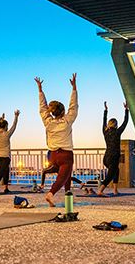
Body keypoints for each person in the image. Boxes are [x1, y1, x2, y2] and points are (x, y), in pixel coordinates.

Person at [35, 73, 78, 207]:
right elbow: (74, 106)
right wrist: (74, 88)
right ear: (62, 111)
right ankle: (51, 193)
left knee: (66, 174)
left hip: (53, 155)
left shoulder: (48, 122)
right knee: (63, 177)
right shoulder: (67, 121)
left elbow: (42, 108)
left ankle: (68, 194)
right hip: (66, 154)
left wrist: (40, 90)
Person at [98, 101, 129, 196]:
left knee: (116, 171)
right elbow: (125, 122)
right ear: (116, 125)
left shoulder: (105, 131)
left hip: (106, 157)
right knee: (110, 175)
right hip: (114, 157)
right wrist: (126, 110)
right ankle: (100, 191)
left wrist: (105, 110)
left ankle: (115, 190)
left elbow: (103, 121)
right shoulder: (117, 131)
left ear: (109, 124)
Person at [0, 110, 20, 194]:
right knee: (1, 172)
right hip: (5, 157)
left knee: (6, 170)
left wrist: (1, 120)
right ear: (6, 126)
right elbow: (14, 126)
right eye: (7, 125)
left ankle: (5, 188)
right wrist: (16, 116)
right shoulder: (7, 134)